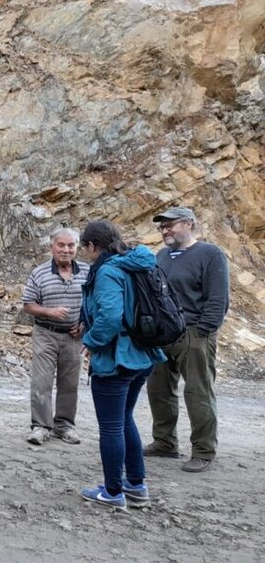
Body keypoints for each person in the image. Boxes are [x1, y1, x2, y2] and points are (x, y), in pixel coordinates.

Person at [76, 220, 166, 510]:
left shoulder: (107, 271)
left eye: (85, 248)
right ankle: (136, 485)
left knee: (112, 426)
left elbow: (110, 318)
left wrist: (90, 340)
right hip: (143, 355)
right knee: (125, 418)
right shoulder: (135, 264)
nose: (85, 254)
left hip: (117, 360)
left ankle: (113, 492)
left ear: (92, 246)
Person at [145, 207, 229, 473]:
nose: (165, 231)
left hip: (194, 332)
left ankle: (203, 451)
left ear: (189, 224)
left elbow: (218, 298)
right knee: (158, 389)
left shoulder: (210, 254)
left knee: (197, 392)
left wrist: (204, 330)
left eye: (171, 225)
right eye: (162, 227)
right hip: (163, 334)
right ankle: (164, 442)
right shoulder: (161, 256)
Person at [22, 228, 89, 445]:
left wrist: (84, 324)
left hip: (74, 336)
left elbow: (95, 303)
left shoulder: (88, 272)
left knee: (69, 383)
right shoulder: (39, 273)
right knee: (41, 382)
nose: (66, 250)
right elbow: (28, 305)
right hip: (46, 334)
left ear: (77, 248)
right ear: (52, 246)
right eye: (61, 245)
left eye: (71, 246)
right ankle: (41, 426)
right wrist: (49, 311)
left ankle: (64, 426)